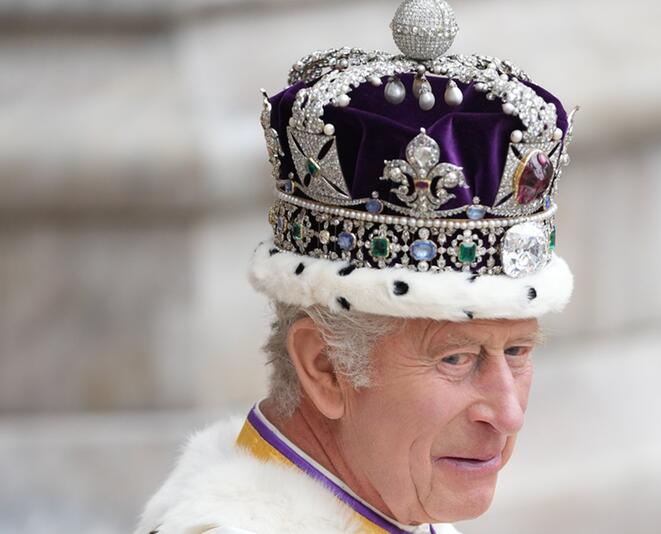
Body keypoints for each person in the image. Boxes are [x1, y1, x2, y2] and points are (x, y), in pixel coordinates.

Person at [136, 1, 577, 532]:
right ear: (324, 368)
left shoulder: (392, 508)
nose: (509, 415)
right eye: (457, 358)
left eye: (517, 350)